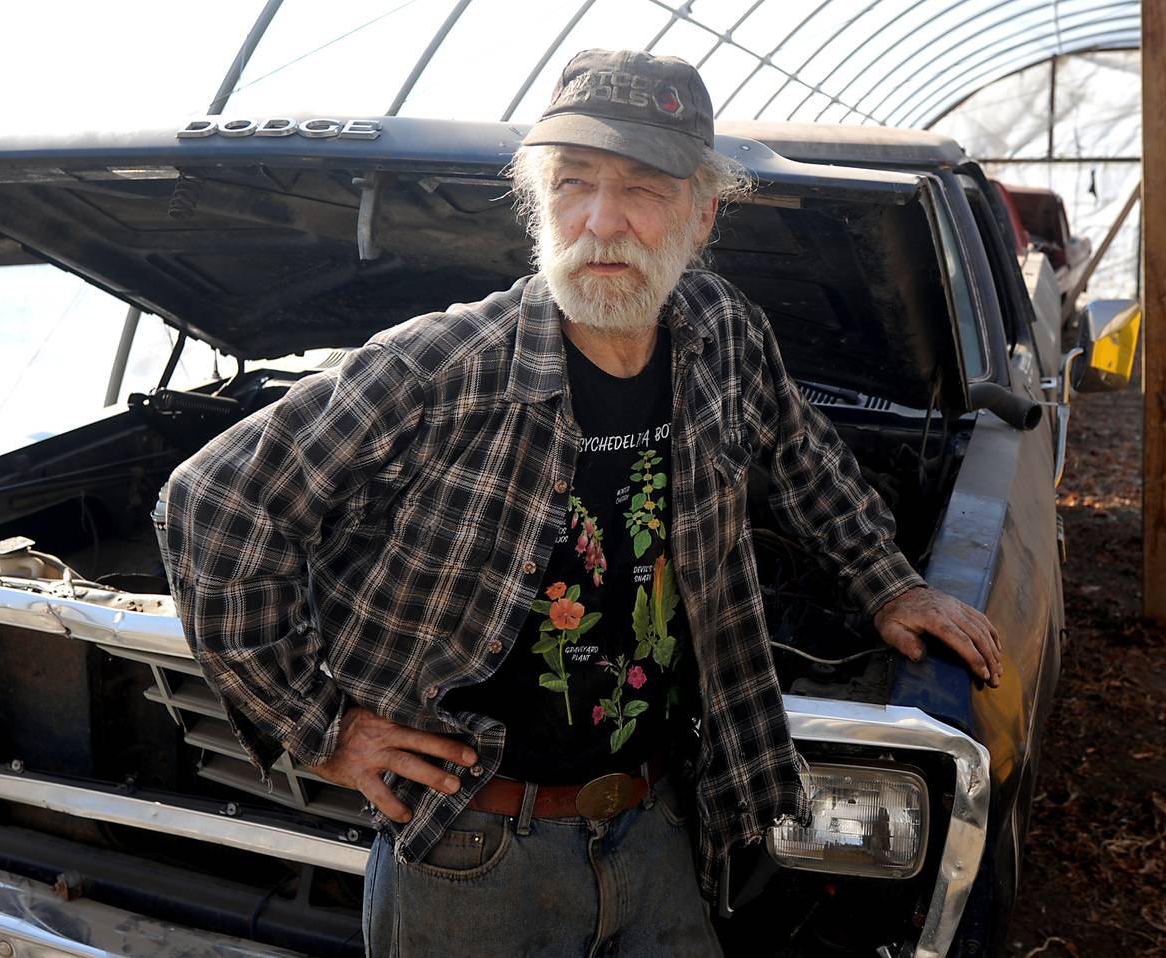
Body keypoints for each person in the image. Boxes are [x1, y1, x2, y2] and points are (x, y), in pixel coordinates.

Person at [157, 48, 1002, 957]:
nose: (603, 221)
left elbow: (805, 457)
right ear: (537, 202)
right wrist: (319, 729)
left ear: (702, 211)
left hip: (657, 822)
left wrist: (889, 585)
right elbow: (212, 504)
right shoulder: (443, 365)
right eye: (573, 182)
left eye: (643, 188)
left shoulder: (721, 333)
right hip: (471, 853)